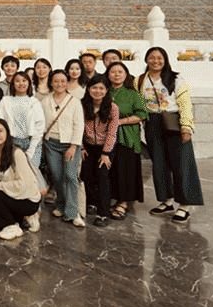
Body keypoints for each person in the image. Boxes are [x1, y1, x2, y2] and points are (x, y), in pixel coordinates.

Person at [138, 47, 203, 224]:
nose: (155, 61)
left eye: (159, 58)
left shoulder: (176, 79)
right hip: (153, 123)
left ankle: (184, 205)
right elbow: (140, 101)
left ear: (165, 60)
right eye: (152, 57)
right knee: (159, 163)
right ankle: (166, 201)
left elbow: (185, 103)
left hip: (174, 121)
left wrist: (186, 127)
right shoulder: (140, 80)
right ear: (146, 59)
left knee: (182, 163)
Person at [0, 118, 42, 240]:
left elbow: (24, 185)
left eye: (0, 131)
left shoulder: (16, 153)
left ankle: (12, 226)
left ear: (7, 133)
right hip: (11, 195)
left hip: (27, 200)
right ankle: (21, 219)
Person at [42, 69, 85, 227]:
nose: (59, 84)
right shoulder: (45, 101)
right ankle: (61, 205)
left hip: (70, 144)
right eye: (56, 81)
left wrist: (73, 146)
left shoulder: (74, 101)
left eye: (62, 81)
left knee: (70, 176)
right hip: (51, 143)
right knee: (57, 176)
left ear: (67, 83)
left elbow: (79, 125)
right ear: (51, 83)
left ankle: (73, 212)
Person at [106, 61, 147, 220]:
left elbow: (142, 114)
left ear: (126, 75)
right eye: (113, 72)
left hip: (127, 135)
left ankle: (123, 202)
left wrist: (120, 122)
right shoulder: (104, 91)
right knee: (110, 168)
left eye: (120, 72)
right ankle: (111, 198)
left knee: (125, 169)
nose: (116, 75)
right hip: (106, 136)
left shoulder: (133, 94)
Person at [80, 75, 119, 227]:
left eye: (101, 88)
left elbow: (112, 132)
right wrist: (81, 147)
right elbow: (78, 127)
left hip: (105, 147)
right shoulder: (82, 105)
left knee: (103, 177)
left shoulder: (112, 108)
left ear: (107, 90)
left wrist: (106, 153)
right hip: (88, 145)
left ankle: (103, 213)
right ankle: (92, 202)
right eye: (94, 87)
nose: (98, 91)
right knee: (87, 174)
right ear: (88, 89)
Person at [0, 72, 46, 186]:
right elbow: (0, 123)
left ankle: (36, 198)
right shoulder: (5, 101)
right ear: (13, 84)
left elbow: (39, 126)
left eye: (24, 81)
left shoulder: (34, 102)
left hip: (32, 142)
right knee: (14, 176)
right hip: (12, 143)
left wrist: (31, 148)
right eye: (17, 81)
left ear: (29, 83)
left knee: (32, 176)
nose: (21, 83)